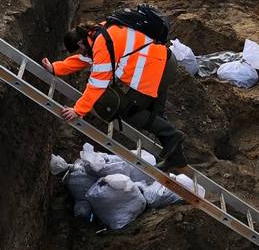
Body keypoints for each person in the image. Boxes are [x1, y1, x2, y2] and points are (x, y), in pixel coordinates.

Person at [43, 20, 189, 170]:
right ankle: (176, 156)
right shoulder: (98, 31)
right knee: (155, 112)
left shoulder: (101, 45)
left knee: (131, 110)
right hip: (162, 61)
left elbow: (97, 84)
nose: (81, 54)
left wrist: (78, 110)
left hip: (156, 70)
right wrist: (56, 68)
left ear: (81, 43)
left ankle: (172, 137)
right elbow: (83, 60)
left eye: (79, 50)